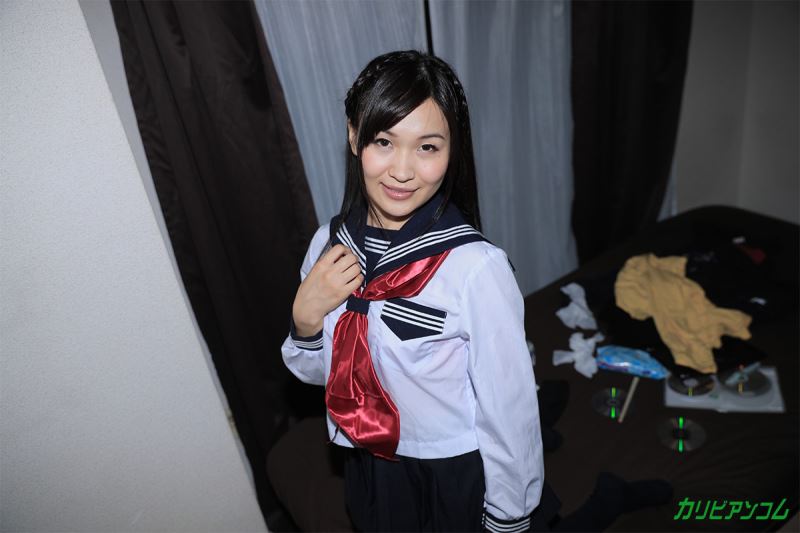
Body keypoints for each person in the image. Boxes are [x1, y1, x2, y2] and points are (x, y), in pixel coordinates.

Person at [281, 50, 543, 533]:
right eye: (384, 141)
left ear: (452, 151)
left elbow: (510, 406)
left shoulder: (476, 269)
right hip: (364, 457)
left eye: (427, 147)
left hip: (450, 468)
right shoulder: (327, 246)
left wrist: (510, 514)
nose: (402, 170)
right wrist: (306, 321)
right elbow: (322, 377)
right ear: (354, 136)